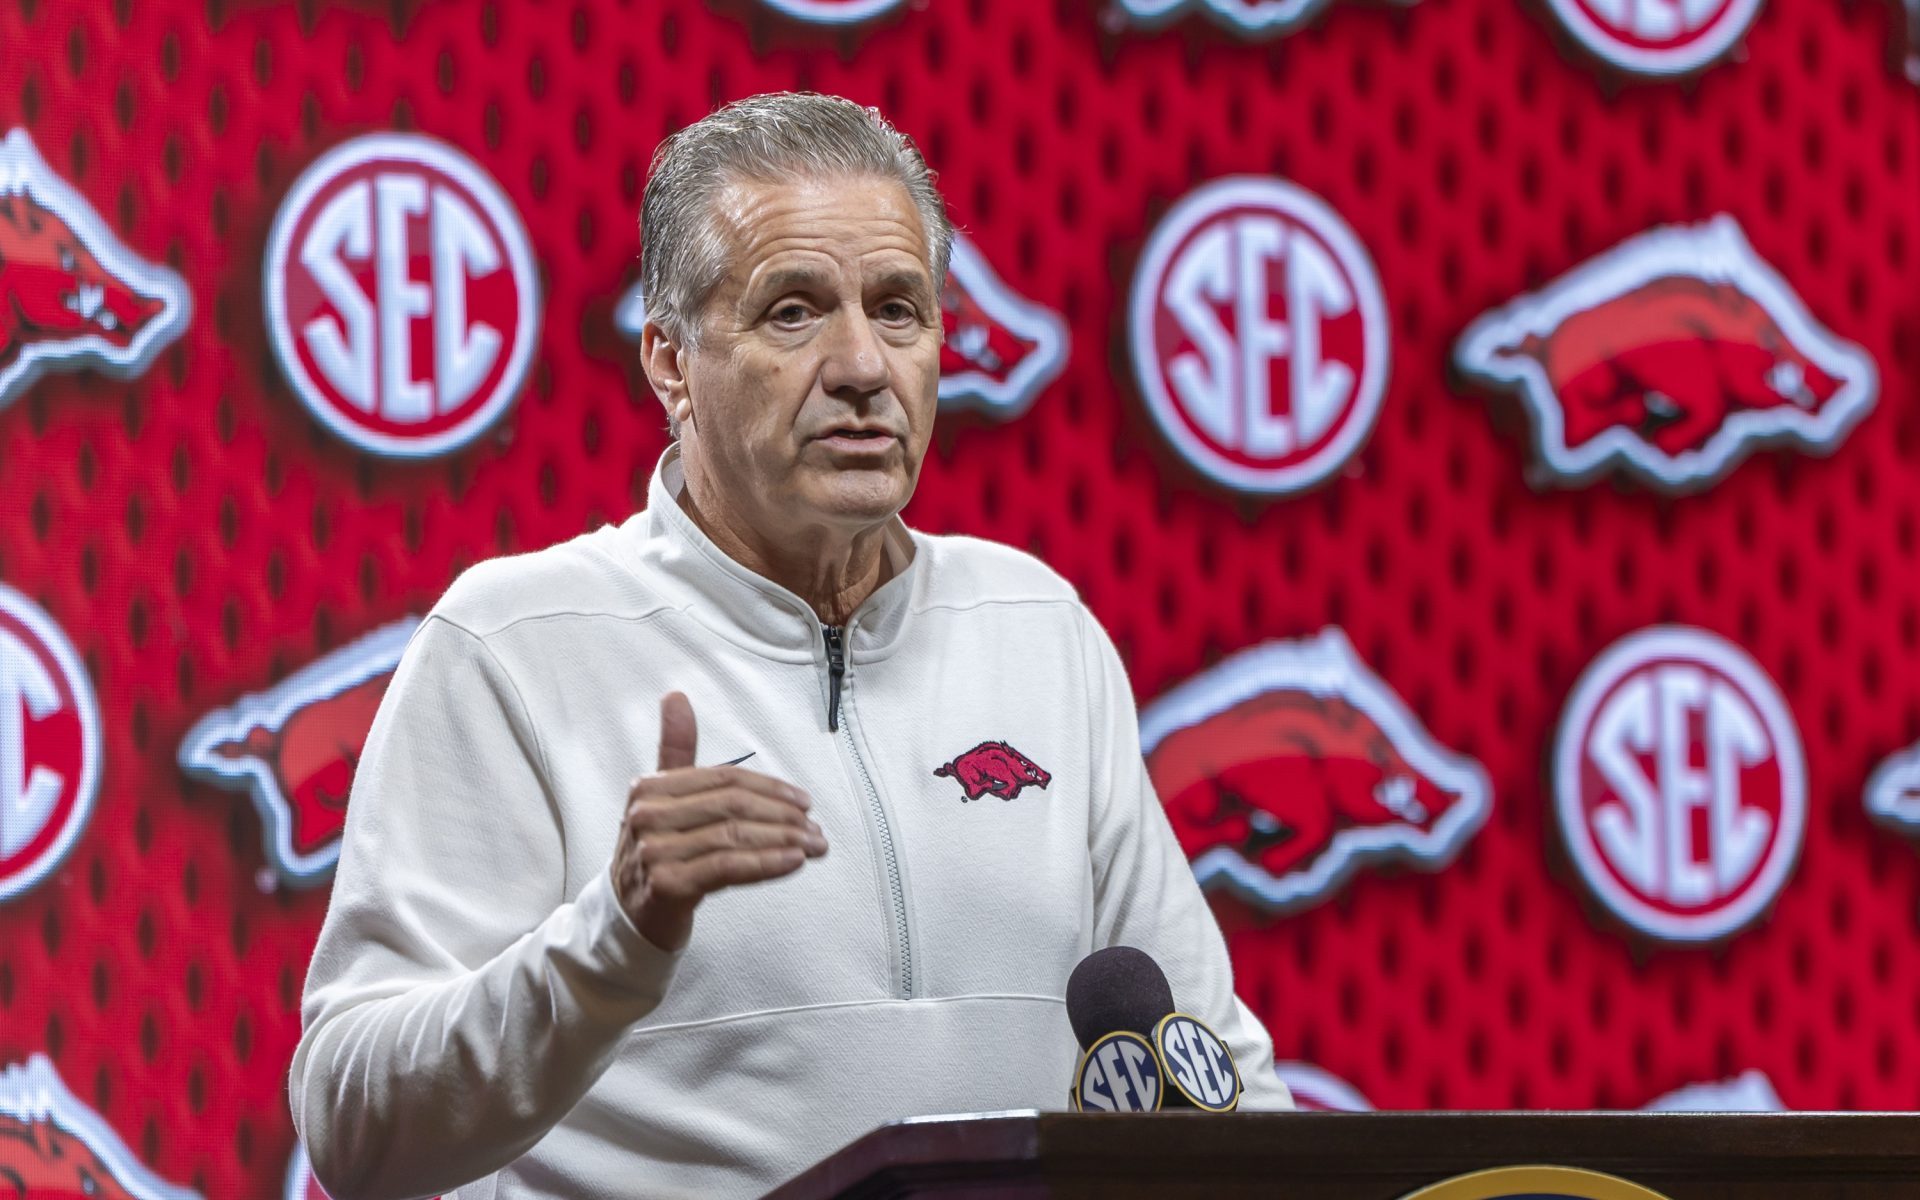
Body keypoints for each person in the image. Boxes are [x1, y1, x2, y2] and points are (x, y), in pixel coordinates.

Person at [290, 91, 1290, 1200]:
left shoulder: (1038, 628)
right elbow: (355, 1124)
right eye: (794, 311)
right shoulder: (513, 646)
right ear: (670, 364)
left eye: (900, 310)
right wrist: (612, 939)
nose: (864, 364)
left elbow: (1214, 1072)